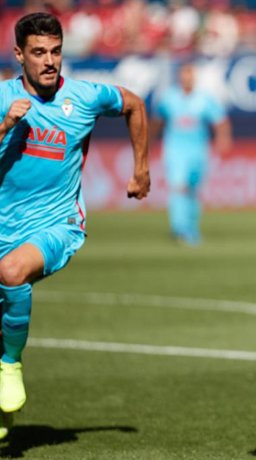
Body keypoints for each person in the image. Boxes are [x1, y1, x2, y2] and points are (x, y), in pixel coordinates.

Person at [0, 12, 150, 438]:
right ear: (18, 55)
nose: (49, 61)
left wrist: (141, 171)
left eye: (55, 52)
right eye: (38, 52)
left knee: (11, 272)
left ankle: (11, 364)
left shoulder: (85, 96)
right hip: (4, 226)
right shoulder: (3, 99)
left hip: (58, 223)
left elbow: (134, 104)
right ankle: (4, 410)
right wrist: (7, 124)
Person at [150, 62, 232, 246]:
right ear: (179, 77)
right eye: (184, 74)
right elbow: (157, 120)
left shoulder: (204, 99)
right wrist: (148, 141)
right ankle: (180, 229)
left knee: (193, 190)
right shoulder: (169, 97)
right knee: (179, 187)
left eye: (190, 74)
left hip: (198, 151)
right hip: (175, 150)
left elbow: (220, 120)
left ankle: (191, 228)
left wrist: (223, 139)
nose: (187, 78)